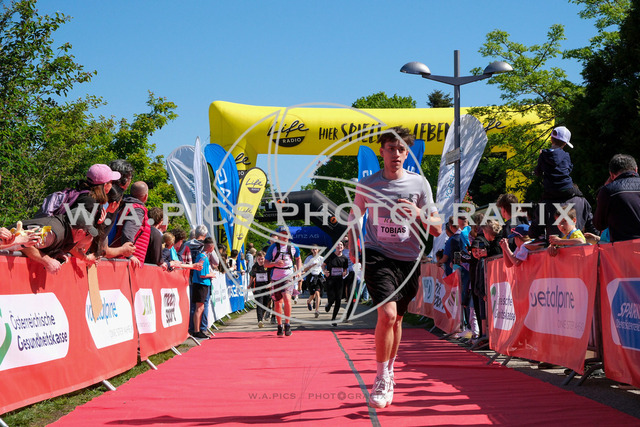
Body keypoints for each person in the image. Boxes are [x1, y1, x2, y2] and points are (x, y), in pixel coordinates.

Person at [348, 126, 441, 409]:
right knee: (387, 315)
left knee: (398, 319)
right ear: (382, 151)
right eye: (391, 149)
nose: (396, 154)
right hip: (377, 254)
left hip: (409, 258)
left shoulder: (419, 184)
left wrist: (419, 213)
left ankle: (389, 371)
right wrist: (353, 246)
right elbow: (354, 216)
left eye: (401, 149)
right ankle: (379, 377)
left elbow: (437, 229)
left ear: (407, 153)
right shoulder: (368, 184)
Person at [264, 225, 302, 336]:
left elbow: (298, 258)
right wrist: (275, 263)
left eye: (286, 234)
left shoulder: (293, 247)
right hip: (276, 277)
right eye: (282, 234)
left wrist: (299, 271)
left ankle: (288, 324)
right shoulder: (273, 248)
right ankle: (279, 325)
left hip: (288, 276)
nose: (284, 236)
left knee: (287, 298)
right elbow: (266, 264)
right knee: (278, 302)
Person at [594, 154, 640, 242]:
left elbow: (599, 224)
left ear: (611, 175)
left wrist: (606, 188)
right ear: (636, 170)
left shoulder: (609, 191)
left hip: (625, 247)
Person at [111, 181, 151, 267]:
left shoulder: (123, 205)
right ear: (146, 196)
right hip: (126, 262)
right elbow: (128, 232)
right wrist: (129, 255)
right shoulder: (137, 210)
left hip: (116, 257)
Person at [190, 238, 216, 339]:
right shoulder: (202, 257)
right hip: (201, 284)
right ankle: (196, 330)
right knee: (199, 308)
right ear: (210, 247)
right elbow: (202, 274)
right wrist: (211, 275)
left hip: (202, 284)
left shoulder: (203, 256)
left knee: (201, 308)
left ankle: (198, 330)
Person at [323, 241, 349, 326]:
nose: (339, 246)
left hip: (339, 281)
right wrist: (325, 271)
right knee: (332, 298)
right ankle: (329, 304)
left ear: (343, 247)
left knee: (338, 300)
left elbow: (345, 269)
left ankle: (333, 319)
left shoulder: (344, 258)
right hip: (330, 280)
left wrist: (344, 273)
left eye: (341, 245)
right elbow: (323, 265)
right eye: (338, 244)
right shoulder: (330, 256)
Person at [249, 251, 270, 328]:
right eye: (259, 259)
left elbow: (272, 276)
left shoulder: (268, 266)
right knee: (259, 303)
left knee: (266, 303)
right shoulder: (255, 266)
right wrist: (249, 284)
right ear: (256, 259)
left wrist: (271, 284)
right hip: (257, 287)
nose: (260, 261)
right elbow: (252, 276)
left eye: (262, 259)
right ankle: (260, 320)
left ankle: (262, 314)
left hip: (267, 287)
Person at [303, 245, 324, 318]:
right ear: (311, 250)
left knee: (317, 293)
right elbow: (304, 269)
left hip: (318, 277)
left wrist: (325, 273)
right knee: (312, 294)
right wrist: (311, 266)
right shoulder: (309, 258)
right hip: (311, 277)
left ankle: (317, 310)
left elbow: (323, 268)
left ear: (318, 250)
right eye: (313, 249)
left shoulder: (321, 258)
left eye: (316, 249)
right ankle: (308, 301)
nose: (315, 251)